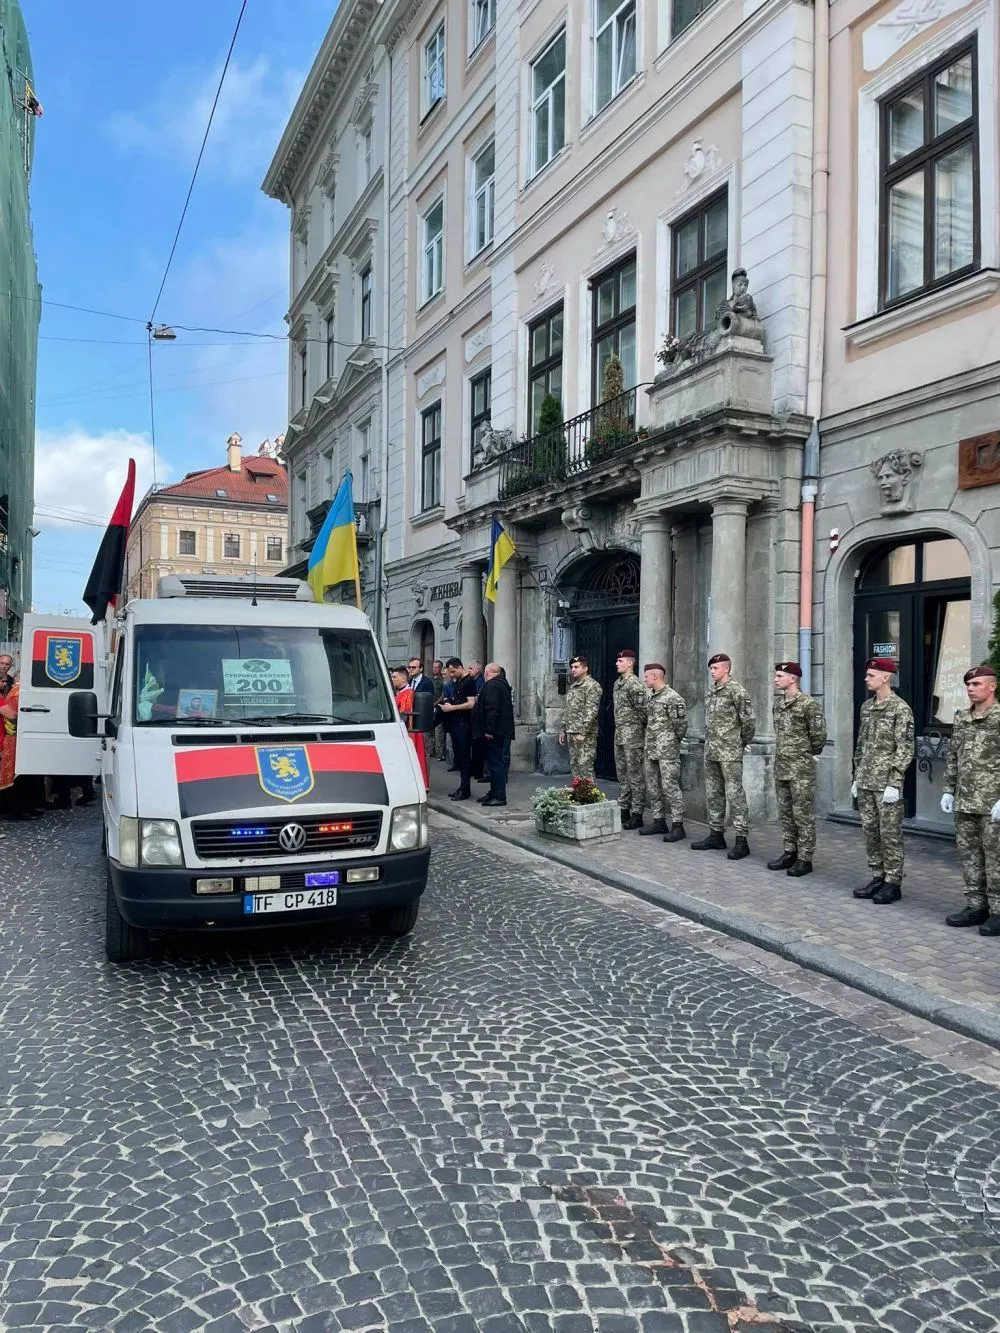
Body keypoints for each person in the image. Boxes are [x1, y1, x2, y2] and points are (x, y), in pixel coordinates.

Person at [941, 665, 1000, 935]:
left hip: (992, 803)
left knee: (995, 858)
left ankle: (998, 911)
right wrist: (947, 789)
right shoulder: (962, 718)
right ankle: (976, 906)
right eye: (968, 684)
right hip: (966, 800)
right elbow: (953, 757)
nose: (971, 688)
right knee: (970, 857)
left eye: (976, 684)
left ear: (992, 686)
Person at [851, 657, 914, 904]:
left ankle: (893, 881)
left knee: (889, 834)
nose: (866, 679)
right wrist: (857, 776)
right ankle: (878, 875)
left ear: (885, 677)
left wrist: (894, 782)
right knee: (870, 832)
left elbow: (905, 748)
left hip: (886, 783)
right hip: (867, 779)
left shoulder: (900, 709)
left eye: (870, 675)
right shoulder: (867, 707)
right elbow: (861, 744)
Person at [691, 652, 756, 859]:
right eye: (710, 669)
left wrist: (739, 742)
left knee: (735, 794)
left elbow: (749, 722)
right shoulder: (711, 691)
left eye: (715, 668)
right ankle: (716, 834)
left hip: (730, 751)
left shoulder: (737, 691)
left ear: (726, 669)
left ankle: (741, 839)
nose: (712, 672)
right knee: (713, 792)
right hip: (712, 750)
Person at [768, 662, 828, 878]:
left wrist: (803, 754)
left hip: (801, 769)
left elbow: (819, 737)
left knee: (802, 814)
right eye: (776, 676)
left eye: (780, 676)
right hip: (782, 766)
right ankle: (789, 851)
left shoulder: (808, 705)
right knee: (785, 813)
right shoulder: (778, 704)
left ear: (792, 678)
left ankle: (805, 858)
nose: (776, 679)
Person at [642, 663, 688, 842]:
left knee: (670, 787)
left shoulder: (673, 698)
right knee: (653, 786)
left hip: (667, 750)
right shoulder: (651, 697)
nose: (644, 679)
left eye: (646, 676)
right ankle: (658, 820)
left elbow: (681, 726)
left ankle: (678, 825)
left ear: (655, 676)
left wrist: (670, 742)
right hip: (651, 749)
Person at [612, 649, 648, 830]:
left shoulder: (635, 685)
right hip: (619, 735)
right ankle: (624, 808)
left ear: (630, 663)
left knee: (635, 776)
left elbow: (644, 712)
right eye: (617, 661)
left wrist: (637, 730)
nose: (617, 663)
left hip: (633, 736)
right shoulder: (617, 684)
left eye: (620, 661)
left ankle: (637, 813)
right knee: (622, 774)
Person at [0, 675, 40, 821]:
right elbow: (11, 715)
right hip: (7, 739)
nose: (5, 684)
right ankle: (16, 809)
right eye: (2, 681)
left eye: (5, 681)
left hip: (6, 737)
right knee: (15, 776)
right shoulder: (13, 693)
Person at [559, 656, 602, 781]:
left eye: (576, 667)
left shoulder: (592, 686)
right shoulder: (574, 686)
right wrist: (563, 730)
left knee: (585, 767)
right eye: (572, 667)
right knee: (575, 766)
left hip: (584, 735)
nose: (573, 669)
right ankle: (578, 796)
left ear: (585, 669)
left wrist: (583, 732)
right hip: (571, 732)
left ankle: (590, 798)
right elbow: (568, 709)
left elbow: (591, 711)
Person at [478, 663, 515, 806]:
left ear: (488, 673)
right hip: (498, 731)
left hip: (495, 732)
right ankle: (493, 792)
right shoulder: (500, 684)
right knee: (494, 763)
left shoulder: (493, 686)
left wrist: (489, 730)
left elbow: (493, 709)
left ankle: (499, 795)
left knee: (496, 764)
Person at [439, 657, 476, 799]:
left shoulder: (469, 682)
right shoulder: (458, 681)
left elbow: (471, 703)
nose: (452, 674)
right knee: (460, 757)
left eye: (453, 671)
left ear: (460, 667)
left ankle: (465, 789)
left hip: (464, 724)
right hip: (456, 722)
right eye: (450, 672)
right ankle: (462, 786)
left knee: (465, 757)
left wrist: (452, 707)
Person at [391, 666, 429, 790]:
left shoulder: (407, 694)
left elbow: (405, 716)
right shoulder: (401, 692)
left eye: (394, 677)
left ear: (403, 678)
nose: (392, 679)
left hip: (409, 733)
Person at [466, 660, 487, 782]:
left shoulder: (481, 683)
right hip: (472, 716)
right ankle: (474, 769)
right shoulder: (471, 681)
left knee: (478, 745)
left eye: (471, 668)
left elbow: (477, 698)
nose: (469, 671)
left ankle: (478, 771)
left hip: (478, 717)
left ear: (477, 670)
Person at [430, 659, 448, 761]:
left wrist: (435, 703)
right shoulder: (430, 680)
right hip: (429, 707)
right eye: (433, 667)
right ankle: (431, 751)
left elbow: (443, 694)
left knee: (439, 732)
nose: (435, 669)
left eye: (437, 667)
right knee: (430, 730)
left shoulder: (443, 681)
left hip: (439, 707)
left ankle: (440, 753)